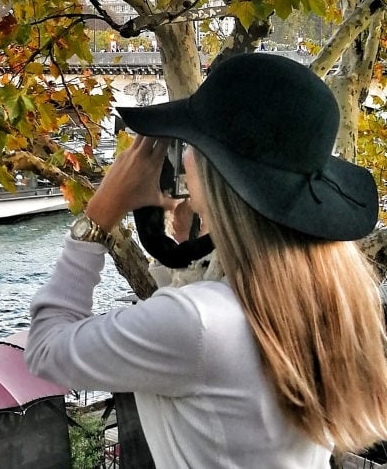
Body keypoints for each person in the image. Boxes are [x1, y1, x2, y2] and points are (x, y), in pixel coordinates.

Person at [25, 54, 387, 468]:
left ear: (216, 171)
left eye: (190, 146)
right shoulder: (329, 293)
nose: (184, 158)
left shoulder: (197, 323)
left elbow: (45, 350)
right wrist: (181, 243)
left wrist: (101, 213)